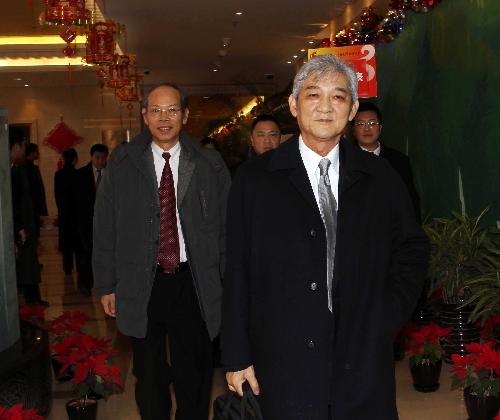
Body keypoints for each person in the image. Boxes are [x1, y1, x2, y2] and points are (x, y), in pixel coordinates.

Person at [222, 54, 429, 419]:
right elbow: (236, 267)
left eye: (338, 96)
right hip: (282, 351)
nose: (325, 107)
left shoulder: (380, 177)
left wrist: (386, 314)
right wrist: (237, 355)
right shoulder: (255, 181)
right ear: (293, 105)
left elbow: (412, 248)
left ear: (351, 110)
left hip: (361, 351)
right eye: (313, 95)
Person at [93, 83, 231, 420]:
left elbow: (228, 231)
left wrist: (228, 284)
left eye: (171, 110)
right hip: (143, 281)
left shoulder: (209, 164)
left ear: (185, 115)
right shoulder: (123, 163)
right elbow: (104, 225)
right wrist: (107, 284)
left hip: (193, 281)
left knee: (194, 373)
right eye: (155, 110)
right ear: (144, 115)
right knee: (149, 374)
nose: (163, 118)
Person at [352, 101, 421, 223]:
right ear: (353, 129)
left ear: (380, 128)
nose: (367, 128)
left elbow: (411, 201)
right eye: (361, 123)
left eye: (372, 123)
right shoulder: (343, 161)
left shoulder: (399, 161)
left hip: (393, 234)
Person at [9, 133, 47, 306]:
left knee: (29, 262)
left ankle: (32, 297)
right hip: (21, 225)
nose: (25, 151)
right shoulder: (12, 171)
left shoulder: (19, 168)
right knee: (26, 262)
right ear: (15, 147)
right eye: (23, 147)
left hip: (26, 224)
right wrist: (19, 227)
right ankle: (30, 297)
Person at [74, 143, 108, 295]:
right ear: (91, 157)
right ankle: (85, 283)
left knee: (106, 255)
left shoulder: (112, 174)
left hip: (107, 224)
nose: (100, 161)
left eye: (103, 158)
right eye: (97, 158)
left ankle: (106, 284)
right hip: (86, 223)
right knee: (86, 254)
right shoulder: (80, 175)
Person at [54, 148, 78, 275]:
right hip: (76, 214)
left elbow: (57, 195)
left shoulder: (58, 175)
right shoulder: (78, 174)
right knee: (78, 243)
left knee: (66, 244)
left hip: (64, 213)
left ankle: (67, 268)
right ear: (75, 159)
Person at [24, 143, 48, 238]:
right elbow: (34, 191)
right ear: (32, 153)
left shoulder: (32, 167)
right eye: (37, 151)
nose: (38, 153)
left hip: (33, 209)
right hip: (31, 209)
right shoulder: (27, 169)